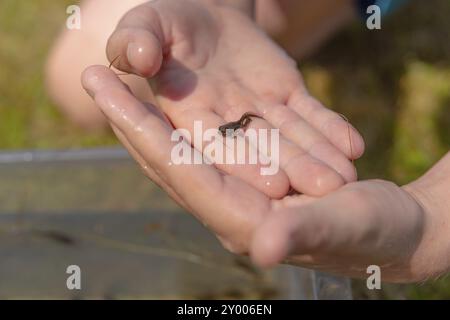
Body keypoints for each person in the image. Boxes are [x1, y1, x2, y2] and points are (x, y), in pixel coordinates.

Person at [52, 0, 450, 283]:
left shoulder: (237, 127)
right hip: (237, 100)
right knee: (74, 75)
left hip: (241, 121)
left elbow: (238, 126)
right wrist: (222, 9)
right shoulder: (235, 126)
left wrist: (432, 218)